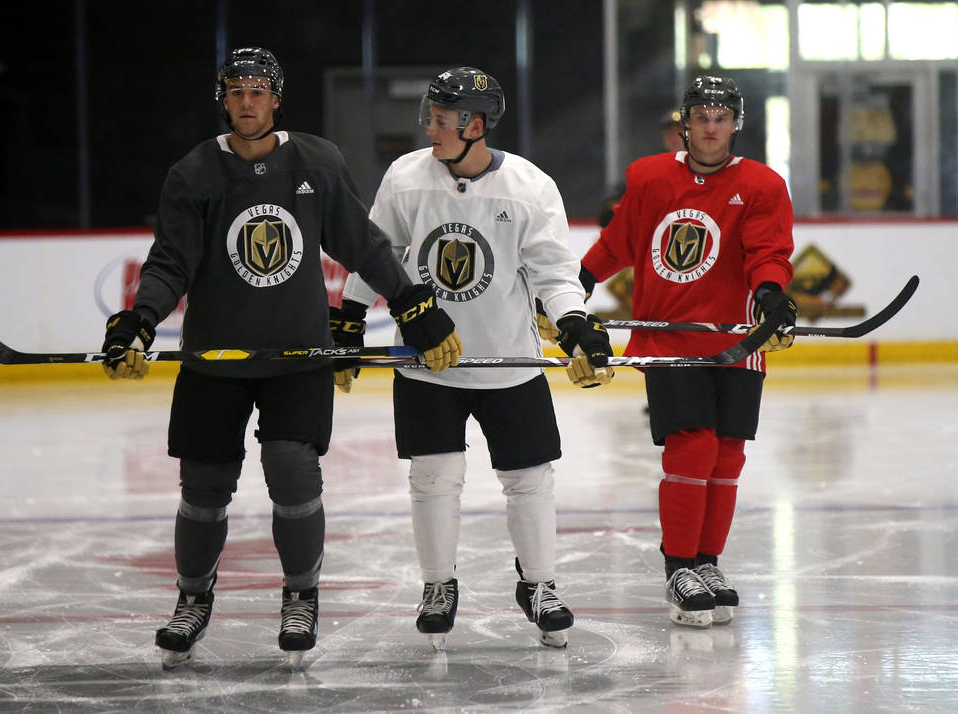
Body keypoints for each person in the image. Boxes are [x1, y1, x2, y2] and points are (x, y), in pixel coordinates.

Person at [99, 47, 461, 668]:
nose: (247, 102)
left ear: (276, 99)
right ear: (224, 100)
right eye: (236, 91)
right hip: (215, 361)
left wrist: (411, 302)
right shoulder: (193, 174)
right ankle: (192, 598)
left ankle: (301, 593)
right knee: (204, 489)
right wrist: (139, 319)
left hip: (298, 358)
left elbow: (361, 243)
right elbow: (169, 263)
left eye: (257, 91)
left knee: (292, 472)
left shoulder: (317, 162)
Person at [333, 67, 615, 650]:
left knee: (529, 479)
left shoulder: (530, 187)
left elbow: (554, 274)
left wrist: (576, 324)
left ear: (475, 125)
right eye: (429, 117)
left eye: (440, 120)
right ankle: (439, 585)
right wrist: (350, 318)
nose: (428, 129)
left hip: (509, 363)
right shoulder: (406, 178)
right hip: (427, 362)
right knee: (433, 478)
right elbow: (373, 253)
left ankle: (539, 585)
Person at [578, 75, 796, 628]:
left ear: (736, 123)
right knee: (692, 447)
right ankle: (679, 567)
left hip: (737, 341)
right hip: (671, 337)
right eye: (701, 116)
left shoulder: (764, 184)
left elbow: (767, 252)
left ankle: (707, 562)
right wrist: (576, 281)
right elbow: (620, 242)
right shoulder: (650, 177)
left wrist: (771, 294)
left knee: (727, 455)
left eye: (721, 117)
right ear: (685, 122)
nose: (711, 127)